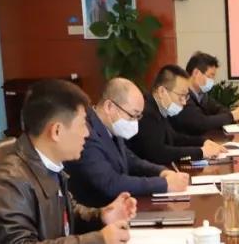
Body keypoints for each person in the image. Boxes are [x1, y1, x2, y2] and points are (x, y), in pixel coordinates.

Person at [0, 79, 135, 244]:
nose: (87, 133)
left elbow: (66, 215)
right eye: (82, 124)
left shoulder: (49, 165)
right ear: (56, 131)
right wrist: (98, 242)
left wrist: (101, 216)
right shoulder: (8, 180)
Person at [64, 77, 189, 208]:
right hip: (97, 213)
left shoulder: (111, 126)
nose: (135, 122)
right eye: (132, 115)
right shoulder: (86, 134)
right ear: (109, 107)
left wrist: (161, 172)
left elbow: (130, 160)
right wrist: (164, 184)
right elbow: (111, 183)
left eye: (138, 116)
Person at [129, 65, 227, 167]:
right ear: (162, 91)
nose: (184, 102)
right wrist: (201, 152)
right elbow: (158, 153)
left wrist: (203, 141)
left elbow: (174, 138)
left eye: (186, 96)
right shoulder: (146, 113)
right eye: (181, 96)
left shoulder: (160, 108)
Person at [170, 52, 239, 135]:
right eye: (210, 76)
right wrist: (233, 116)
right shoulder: (182, 96)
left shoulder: (202, 96)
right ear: (196, 73)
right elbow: (201, 123)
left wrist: (234, 115)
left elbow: (220, 109)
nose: (212, 81)